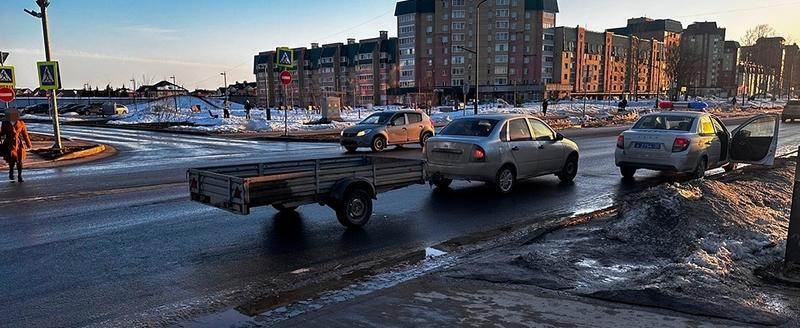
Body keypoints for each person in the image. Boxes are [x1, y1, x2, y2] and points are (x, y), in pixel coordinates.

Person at [1, 110, 32, 183]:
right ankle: (11, 172)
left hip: (19, 144)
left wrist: (28, 144)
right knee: (11, 160)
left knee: (19, 160)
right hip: (9, 143)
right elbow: (2, 133)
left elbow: (25, 134)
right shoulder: (5, 123)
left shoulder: (21, 123)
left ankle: (19, 175)